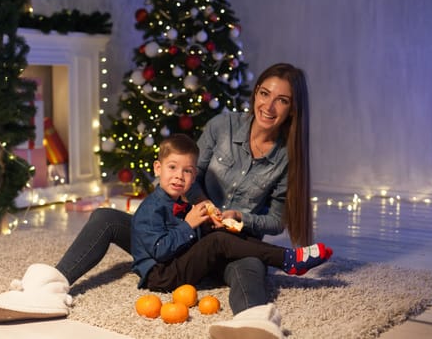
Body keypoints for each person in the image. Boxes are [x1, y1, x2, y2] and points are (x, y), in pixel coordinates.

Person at [0, 63, 317, 337]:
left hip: (230, 243)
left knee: (249, 267)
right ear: (255, 92)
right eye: (264, 93)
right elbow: (189, 174)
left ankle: (253, 324)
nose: (268, 106)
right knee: (106, 218)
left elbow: (275, 220)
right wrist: (203, 208)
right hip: (184, 229)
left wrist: (240, 218)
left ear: (292, 108)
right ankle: (47, 290)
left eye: (281, 100)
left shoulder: (290, 157)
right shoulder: (221, 127)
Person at [130, 134, 331, 336]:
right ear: (158, 168)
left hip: (176, 263)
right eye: (172, 167)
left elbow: (188, 240)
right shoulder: (150, 209)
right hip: (161, 275)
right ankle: (286, 258)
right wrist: (189, 225)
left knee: (223, 235)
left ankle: (259, 304)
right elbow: (160, 251)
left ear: (194, 176)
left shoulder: (181, 201)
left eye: (188, 170)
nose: (179, 176)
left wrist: (208, 224)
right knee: (217, 241)